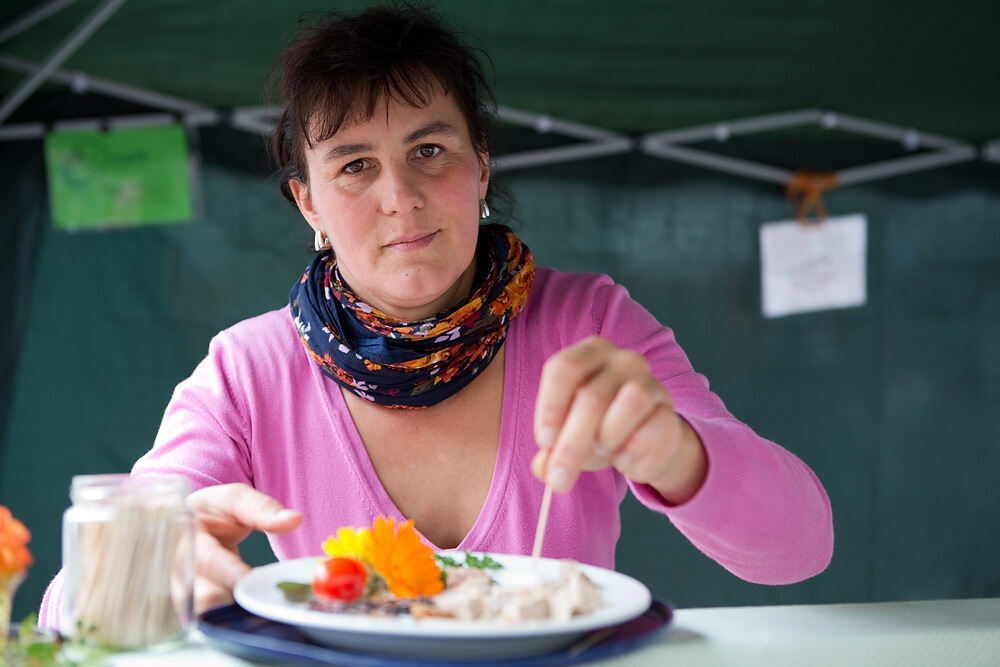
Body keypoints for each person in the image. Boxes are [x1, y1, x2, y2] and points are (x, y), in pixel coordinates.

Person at [40, 4, 832, 624]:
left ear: (481, 165)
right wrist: (146, 558)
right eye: (355, 165)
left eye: (430, 150)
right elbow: (67, 610)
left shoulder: (590, 324)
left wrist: (676, 451)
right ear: (307, 202)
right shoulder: (249, 373)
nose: (401, 198)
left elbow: (803, 546)